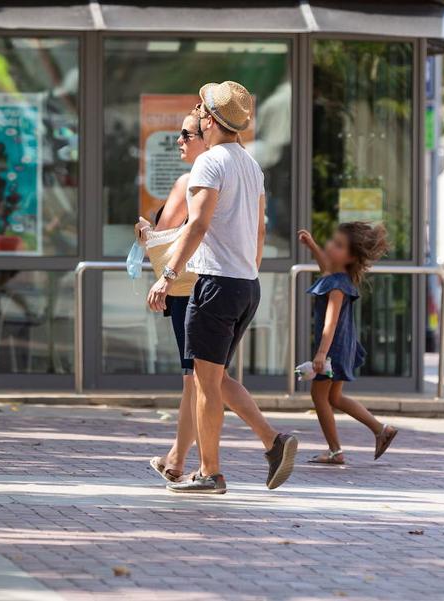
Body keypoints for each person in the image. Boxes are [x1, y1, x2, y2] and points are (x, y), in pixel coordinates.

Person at [147, 81, 298, 494]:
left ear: (210, 121)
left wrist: (167, 275)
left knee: (205, 385)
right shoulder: (250, 164)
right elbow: (261, 229)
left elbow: (197, 223)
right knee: (211, 378)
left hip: (214, 283)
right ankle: (272, 443)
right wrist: (246, 268)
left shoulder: (210, 162)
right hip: (245, 285)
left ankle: (211, 472)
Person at [140, 107, 206, 483]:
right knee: (201, 380)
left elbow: (162, 236)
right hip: (218, 282)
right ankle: (176, 459)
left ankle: (270, 438)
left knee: (196, 381)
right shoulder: (229, 176)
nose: (179, 141)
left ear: (204, 136)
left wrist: (147, 226)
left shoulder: (189, 181)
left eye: (185, 135)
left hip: (184, 286)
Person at [297, 223, 398, 465]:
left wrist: (321, 354)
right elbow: (325, 266)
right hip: (342, 347)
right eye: (333, 241)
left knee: (319, 396)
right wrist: (312, 246)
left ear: (350, 257)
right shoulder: (336, 277)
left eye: (339, 245)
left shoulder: (338, 286)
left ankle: (335, 451)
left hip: (333, 349)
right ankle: (380, 429)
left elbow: (329, 324)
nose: (331, 246)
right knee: (335, 398)